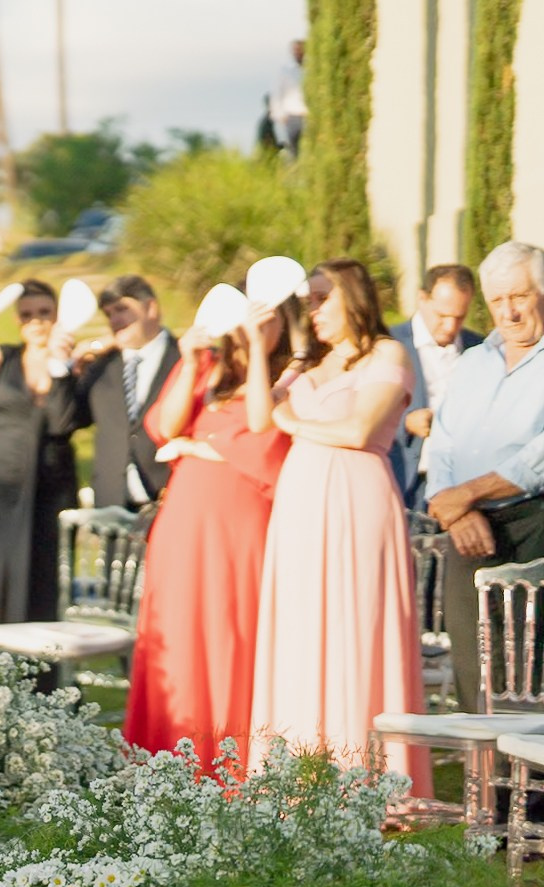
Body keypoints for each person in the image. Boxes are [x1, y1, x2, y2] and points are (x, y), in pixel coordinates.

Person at [249, 259, 429, 793]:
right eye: (309, 301)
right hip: (300, 507)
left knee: (357, 627)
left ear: (352, 298)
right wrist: (259, 351)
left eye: (322, 298)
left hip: (357, 501)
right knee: (302, 632)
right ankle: (298, 776)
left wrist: (296, 423)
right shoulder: (308, 365)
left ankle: (364, 779)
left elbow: (357, 430)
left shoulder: (387, 354)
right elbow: (260, 418)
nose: (314, 310)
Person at [121, 287, 297, 768]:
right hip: (184, 524)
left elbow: (263, 441)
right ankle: (163, 756)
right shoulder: (208, 365)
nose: (258, 322)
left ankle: (225, 758)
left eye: (270, 316)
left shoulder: (290, 370)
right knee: (176, 636)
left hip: (240, 528)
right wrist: (190, 360)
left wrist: (197, 446)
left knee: (228, 635)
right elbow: (164, 426)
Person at [424, 241, 544, 713]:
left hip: (534, 525)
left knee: (532, 670)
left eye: (520, 296)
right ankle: (485, 785)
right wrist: (452, 511)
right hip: (466, 533)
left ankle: (533, 786)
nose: (509, 312)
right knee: (475, 669)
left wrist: (465, 495)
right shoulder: (472, 362)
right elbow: (445, 444)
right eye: (497, 300)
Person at [0, 280, 85, 626]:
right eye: (27, 315)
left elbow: (66, 421)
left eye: (44, 313)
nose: (36, 321)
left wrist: (63, 363)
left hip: (51, 479)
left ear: (58, 316)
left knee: (43, 575)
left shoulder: (77, 361)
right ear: (17, 321)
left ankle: (40, 672)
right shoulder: (4, 356)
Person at [73, 274, 178, 511]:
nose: (115, 320)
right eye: (109, 314)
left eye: (121, 309)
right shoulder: (101, 367)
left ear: (151, 308)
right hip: (113, 502)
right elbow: (70, 419)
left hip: (169, 499)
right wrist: (67, 371)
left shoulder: (185, 358)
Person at [391, 262, 479, 507]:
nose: (450, 327)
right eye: (442, 316)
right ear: (422, 299)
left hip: (463, 485)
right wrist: (405, 422)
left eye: (459, 317)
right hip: (406, 479)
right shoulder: (389, 343)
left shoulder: (480, 348)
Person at [269, 39, 307, 160]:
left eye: (300, 50)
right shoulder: (285, 71)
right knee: (293, 148)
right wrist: (278, 113)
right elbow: (277, 93)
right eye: (296, 50)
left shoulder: (311, 68)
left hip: (308, 114)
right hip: (292, 115)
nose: (298, 52)